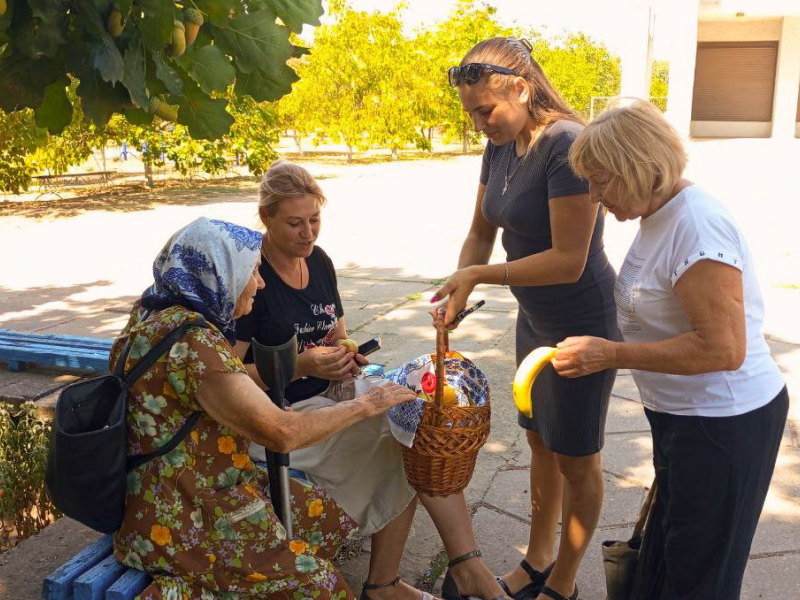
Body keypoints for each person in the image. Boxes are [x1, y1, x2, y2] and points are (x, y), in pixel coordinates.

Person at [235, 160, 511, 600]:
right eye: (294, 223)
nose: (308, 233)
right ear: (265, 218)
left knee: (421, 417)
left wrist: (347, 356)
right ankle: (438, 574)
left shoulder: (318, 261)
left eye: (314, 220)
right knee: (403, 435)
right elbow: (228, 377)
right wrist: (303, 366)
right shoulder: (251, 275)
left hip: (330, 395)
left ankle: (418, 575)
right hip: (282, 418)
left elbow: (337, 336)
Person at [110, 217, 422, 600]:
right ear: (220, 273)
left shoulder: (151, 318)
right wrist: (370, 403)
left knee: (320, 517)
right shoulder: (194, 344)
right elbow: (281, 432)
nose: (259, 283)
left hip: (172, 488)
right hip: (183, 512)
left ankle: (261, 575)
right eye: (252, 272)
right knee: (321, 586)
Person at [556, 99, 789, 600]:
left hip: (723, 423)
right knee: (670, 557)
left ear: (639, 168)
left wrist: (611, 354)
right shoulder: (658, 211)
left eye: (602, 181)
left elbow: (722, 348)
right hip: (684, 418)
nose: (594, 197)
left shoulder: (697, 225)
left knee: (699, 576)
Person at [432, 37, 619, 600]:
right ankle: (538, 559)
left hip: (582, 319)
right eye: (469, 113)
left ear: (521, 87)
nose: (478, 123)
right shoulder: (501, 144)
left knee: (577, 455)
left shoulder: (568, 145)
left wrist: (479, 279)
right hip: (533, 317)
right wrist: (455, 291)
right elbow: (481, 232)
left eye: (485, 110)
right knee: (538, 442)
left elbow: (569, 260)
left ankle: (564, 579)